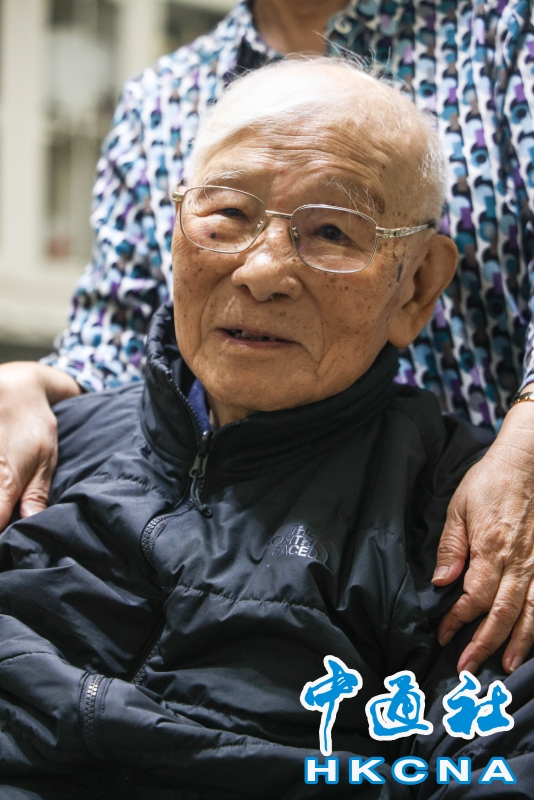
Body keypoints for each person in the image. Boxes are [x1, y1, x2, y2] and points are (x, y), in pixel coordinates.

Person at [1, 58, 533, 798]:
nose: (262, 271)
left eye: (332, 232)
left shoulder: (468, 533)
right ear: (175, 232)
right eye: (227, 214)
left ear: (417, 286)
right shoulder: (38, 452)